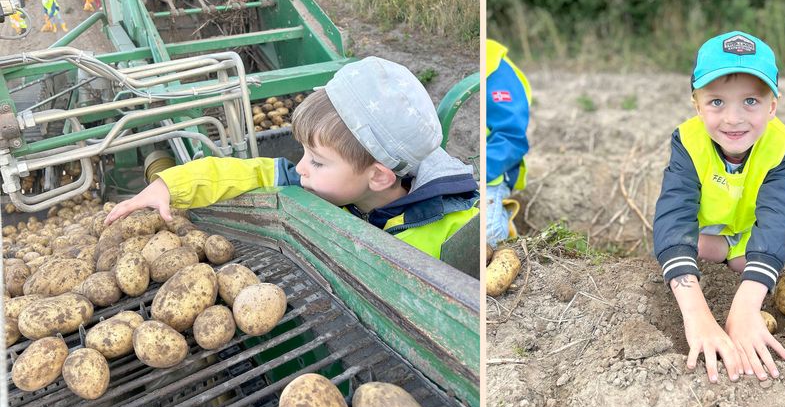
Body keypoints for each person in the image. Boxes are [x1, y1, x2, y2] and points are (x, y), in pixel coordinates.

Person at [105, 57, 480, 260]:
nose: (300, 167)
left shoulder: (458, 227)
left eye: (316, 160)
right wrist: (167, 184)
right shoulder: (316, 186)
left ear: (379, 176)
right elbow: (236, 173)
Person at [653, 31, 785, 384]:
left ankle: (783, 255)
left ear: (772, 106)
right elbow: (674, 216)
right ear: (697, 104)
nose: (733, 119)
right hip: (710, 232)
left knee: (749, 262)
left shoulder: (783, 147)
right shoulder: (688, 141)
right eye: (717, 102)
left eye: (750, 101)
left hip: (752, 231)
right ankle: (737, 254)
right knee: (694, 249)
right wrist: (697, 313)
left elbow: (777, 214)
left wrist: (745, 307)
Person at [485, 39, 531, 246]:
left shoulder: (495, 68)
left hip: (491, 176)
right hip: (462, 172)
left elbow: (511, 138)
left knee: (489, 237)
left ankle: (503, 220)